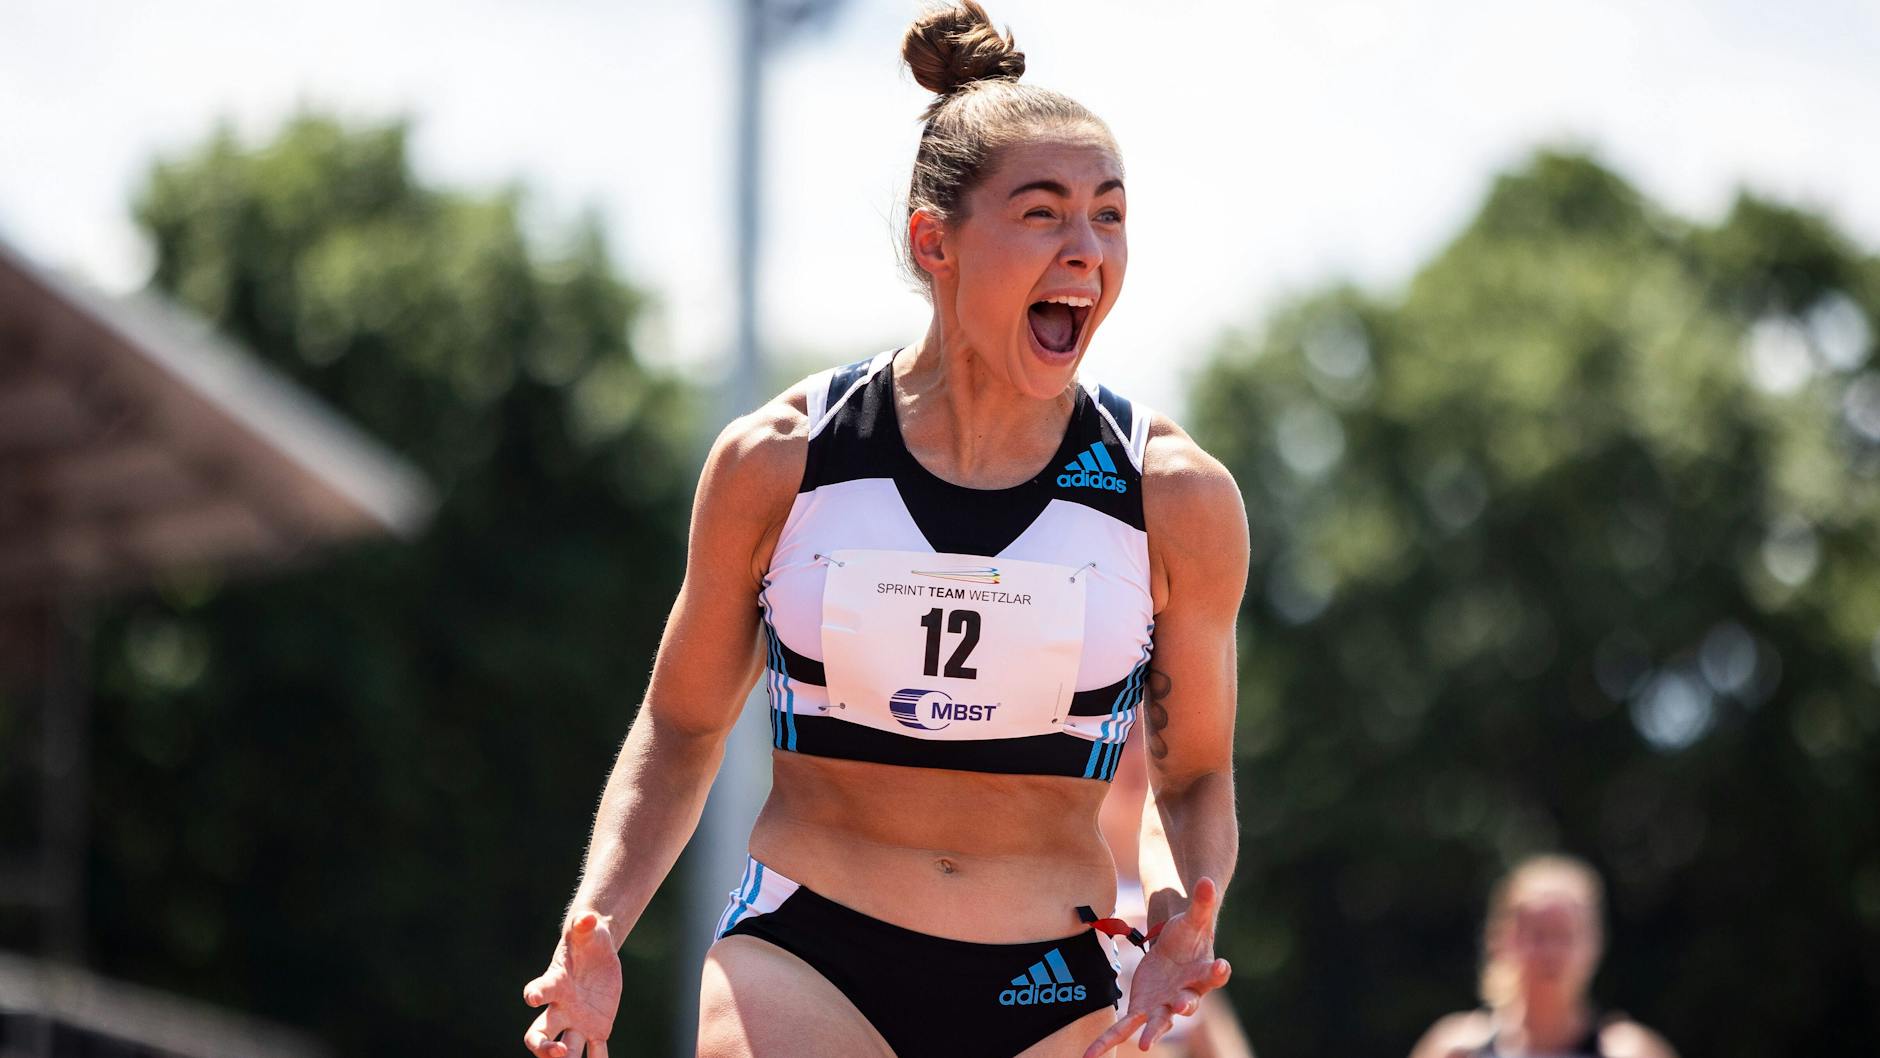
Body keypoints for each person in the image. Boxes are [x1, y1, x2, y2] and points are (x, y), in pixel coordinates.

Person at [520, 4, 1248, 1056]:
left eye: (1109, 215)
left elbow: (1194, 775)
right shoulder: (779, 460)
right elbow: (680, 728)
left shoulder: (1172, 496)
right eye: (1042, 214)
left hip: (1048, 978)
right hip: (809, 951)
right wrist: (597, 923)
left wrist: (1183, 908)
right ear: (932, 240)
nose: (1086, 250)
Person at [1409, 855, 1678, 1058]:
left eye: (1564, 936)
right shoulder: (1456, 1050)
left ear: (1595, 945)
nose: (1551, 952)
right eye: (1537, 935)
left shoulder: (1628, 1052)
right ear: (1500, 940)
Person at [1100, 727, 1257, 1058]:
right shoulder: (1059, 885)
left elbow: (1208, 1029)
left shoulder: (1178, 886)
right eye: (1124, 735)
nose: (1137, 754)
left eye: (1149, 735)